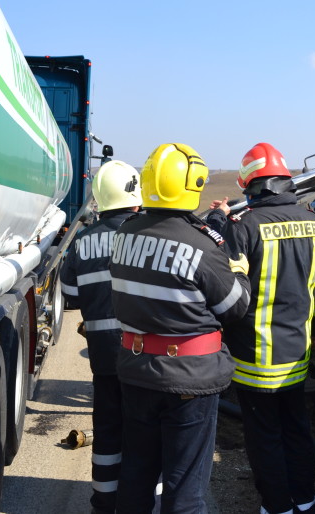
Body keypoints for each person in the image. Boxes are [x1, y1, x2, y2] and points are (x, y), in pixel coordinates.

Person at [108, 142, 251, 514]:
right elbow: (233, 307)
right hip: (189, 381)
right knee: (184, 488)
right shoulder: (202, 245)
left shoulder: (124, 235)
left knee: (136, 475)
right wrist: (238, 271)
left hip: (137, 372)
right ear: (194, 184)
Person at [207, 142, 315, 514]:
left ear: (250, 185)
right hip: (298, 352)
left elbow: (230, 294)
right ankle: (306, 502)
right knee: (297, 430)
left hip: (254, 359)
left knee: (264, 437)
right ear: (285, 181)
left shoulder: (246, 226)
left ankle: (276, 507)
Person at [59, 160, 143, 514]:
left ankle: (104, 504)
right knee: (142, 434)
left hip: (104, 357)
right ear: (135, 197)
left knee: (107, 433)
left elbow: (70, 294)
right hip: (143, 358)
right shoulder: (145, 236)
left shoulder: (82, 241)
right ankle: (139, 503)